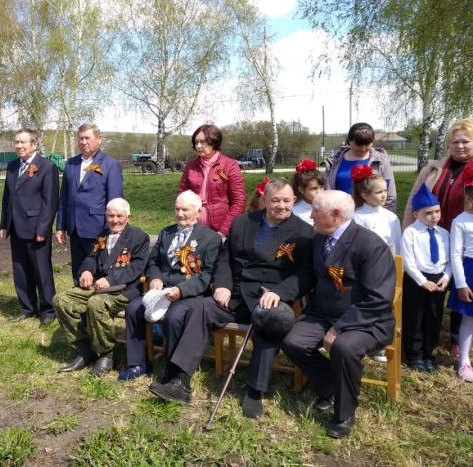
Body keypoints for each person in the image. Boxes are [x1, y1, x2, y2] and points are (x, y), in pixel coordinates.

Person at [147, 180, 314, 419]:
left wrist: (280, 293)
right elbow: (226, 258)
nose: (281, 206)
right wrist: (223, 285)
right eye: (275, 200)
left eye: (287, 201)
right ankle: (180, 381)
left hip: (269, 297)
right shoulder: (243, 222)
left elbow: (306, 274)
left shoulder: (304, 233)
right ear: (264, 200)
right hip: (234, 295)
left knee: (269, 324)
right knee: (200, 308)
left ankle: (255, 391)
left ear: (294, 202)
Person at [281, 190, 395, 439]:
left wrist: (339, 327)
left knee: (343, 347)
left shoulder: (371, 246)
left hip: (366, 321)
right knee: (292, 341)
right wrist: (280, 293)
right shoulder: (320, 238)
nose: (310, 215)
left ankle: (344, 412)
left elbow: (379, 299)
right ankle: (332, 386)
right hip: (323, 313)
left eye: (315, 211)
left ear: (335, 215)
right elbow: (310, 278)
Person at [121, 190, 221, 382]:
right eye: (177, 209)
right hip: (162, 290)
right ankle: (137, 363)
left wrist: (182, 290)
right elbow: (153, 262)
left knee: (174, 318)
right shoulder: (166, 233)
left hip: (189, 293)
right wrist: (155, 278)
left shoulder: (210, 238)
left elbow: (208, 274)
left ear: (198, 212)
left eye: (185, 210)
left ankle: (173, 370)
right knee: (133, 308)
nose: (180, 214)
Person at [54, 198, 149, 376]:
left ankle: (106, 354)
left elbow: (137, 267)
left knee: (96, 304)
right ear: (106, 216)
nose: (115, 220)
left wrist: (111, 279)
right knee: (61, 300)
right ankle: (85, 348)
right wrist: (87, 271)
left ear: (128, 217)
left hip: (125, 289)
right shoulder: (103, 234)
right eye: (111, 216)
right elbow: (91, 257)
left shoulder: (138, 237)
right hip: (99, 287)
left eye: (119, 216)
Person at [404, 118, 473, 361]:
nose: (460, 146)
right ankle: (422, 338)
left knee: (461, 284)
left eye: (466, 141)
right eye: (455, 141)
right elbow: (414, 199)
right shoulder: (434, 169)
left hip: (465, 238)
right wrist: (408, 229)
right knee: (434, 288)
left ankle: (457, 337)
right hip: (435, 233)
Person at [0, 129, 59, 325]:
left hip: (36, 230)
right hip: (16, 227)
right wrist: (4, 224)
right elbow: (7, 197)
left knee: (41, 271)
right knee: (21, 270)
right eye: (16, 142)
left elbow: (49, 201)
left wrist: (43, 229)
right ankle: (27, 307)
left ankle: (48, 310)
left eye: (23, 142)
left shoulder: (47, 167)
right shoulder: (12, 166)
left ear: (34, 144)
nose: (19, 146)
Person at [56, 123, 123, 286]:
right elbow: (64, 197)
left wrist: (112, 228)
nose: (83, 142)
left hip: (98, 228)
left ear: (99, 139)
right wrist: (60, 226)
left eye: (88, 138)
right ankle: (77, 305)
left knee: (97, 270)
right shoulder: (71, 164)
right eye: (81, 138)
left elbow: (115, 201)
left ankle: (94, 307)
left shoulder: (110, 164)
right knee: (78, 271)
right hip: (74, 229)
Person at [401, 185, 450, 373]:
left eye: (437, 211)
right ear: (415, 214)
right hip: (417, 280)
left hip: (438, 281)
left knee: (434, 317)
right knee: (415, 316)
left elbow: (450, 259)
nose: (434, 216)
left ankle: (428, 354)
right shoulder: (410, 233)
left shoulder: (443, 233)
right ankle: (414, 355)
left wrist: (447, 276)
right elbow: (408, 261)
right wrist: (422, 281)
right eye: (428, 213)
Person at [178, 124, 245, 236]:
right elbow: (182, 195)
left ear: (214, 142)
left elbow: (239, 202)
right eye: (196, 142)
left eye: (202, 142)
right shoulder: (190, 166)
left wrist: (223, 231)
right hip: (193, 227)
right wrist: (186, 220)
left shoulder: (230, 165)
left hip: (219, 230)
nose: (198, 146)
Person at [325, 122, 397, 213]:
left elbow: (390, 196)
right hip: (339, 215)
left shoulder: (381, 161)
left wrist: (385, 219)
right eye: (358, 144)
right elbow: (327, 190)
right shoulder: (334, 160)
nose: (363, 149)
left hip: (370, 216)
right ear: (349, 141)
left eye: (367, 144)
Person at [448, 181, 473, 381]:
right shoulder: (461, 221)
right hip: (470, 271)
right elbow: (456, 254)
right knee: (469, 318)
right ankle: (464, 361)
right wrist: (461, 284)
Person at [351, 165, 402, 254]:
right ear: (365, 195)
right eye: (379, 192)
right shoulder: (356, 217)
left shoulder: (391, 217)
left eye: (385, 191)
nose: (384, 195)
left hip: (387, 260)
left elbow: (397, 244)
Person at [291, 158, 326, 226]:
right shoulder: (295, 212)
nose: (319, 192)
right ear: (301, 190)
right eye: (314, 188)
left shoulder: (328, 206)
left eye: (321, 187)